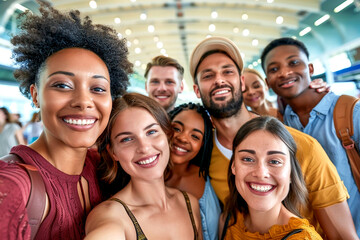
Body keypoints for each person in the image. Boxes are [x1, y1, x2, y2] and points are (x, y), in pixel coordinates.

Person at [189, 36, 358, 239]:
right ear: (197, 90)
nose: (219, 80)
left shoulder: (301, 146)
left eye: (228, 72)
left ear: (242, 82)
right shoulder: (206, 153)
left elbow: (342, 235)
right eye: (208, 76)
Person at [0, 1, 132, 239]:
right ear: (35, 95)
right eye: (62, 85)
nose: (84, 101)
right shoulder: (11, 186)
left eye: (98, 88)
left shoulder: (104, 167)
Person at [261, 37, 360, 236]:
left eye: (294, 63)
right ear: (268, 82)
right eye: (274, 69)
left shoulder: (350, 113)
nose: (285, 72)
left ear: (311, 68)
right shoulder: (278, 125)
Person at [85, 93, 202, 239]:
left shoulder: (190, 204)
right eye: (127, 139)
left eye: (151, 132)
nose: (144, 147)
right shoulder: (112, 217)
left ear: (167, 135)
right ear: (112, 152)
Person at [220, 116, 322, 239]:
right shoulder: (228, 221)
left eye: (274, 161)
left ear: (290, 173)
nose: (261, 173)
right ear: (234, 166)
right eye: (247, 159)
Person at [166, 103, 221, 240]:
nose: (183, 138)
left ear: (202, 144)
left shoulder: (206, 181)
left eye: (195, 136)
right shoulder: (142, 174)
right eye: (177, 128)